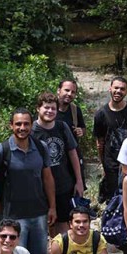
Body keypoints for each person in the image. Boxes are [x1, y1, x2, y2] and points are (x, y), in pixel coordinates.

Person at [0, 108, 55, 254]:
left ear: (31, 125)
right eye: (18, 124)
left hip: (39, 211)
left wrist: (52, 207)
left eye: (26, 124)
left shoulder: (41, 148)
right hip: (14, 214)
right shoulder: (1, 150)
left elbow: (48, 178)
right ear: (11, 125)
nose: (22, 128)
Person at [32, 91, 83, 234]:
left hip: (63, 185)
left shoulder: (62, 127)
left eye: (53, 108)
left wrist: (79, 181)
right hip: (40, 189)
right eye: (46, 108)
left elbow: (73, 153)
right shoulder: (32, 132)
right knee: (46, 225)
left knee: (64, 226)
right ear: (38, 108)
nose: (50, 111)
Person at [93, 76, 127, 203]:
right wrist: (103, 165)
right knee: (114, 200)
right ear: (110, 89)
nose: (118, 91)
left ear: (126, 91)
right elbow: (100, 142)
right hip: (111, 163)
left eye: (122, 89)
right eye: (116, 88)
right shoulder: (101, 114)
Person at [55, 78, 87, 191]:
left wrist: (80, 131)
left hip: (72, 155)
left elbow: (83, 128)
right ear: (59, 90)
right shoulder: (49, 109)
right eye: (66, 90)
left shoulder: (75, 110)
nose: (69, 94)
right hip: (55, 157)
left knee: (77, 187)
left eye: (73, 92)